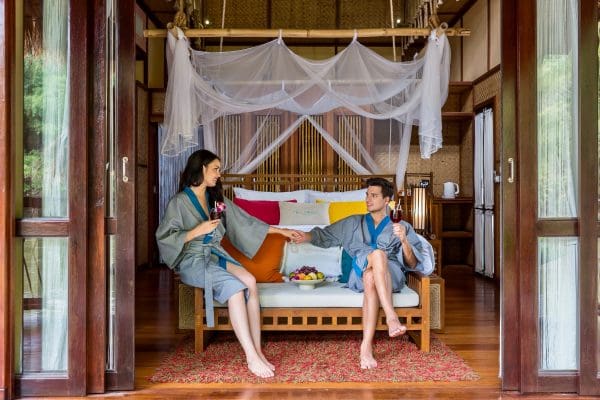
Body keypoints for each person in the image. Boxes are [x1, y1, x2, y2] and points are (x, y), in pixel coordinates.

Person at [156, 149, 295, 378]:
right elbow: (164, 237)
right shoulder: (179, 202)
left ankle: (258, 350)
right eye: (216, 169)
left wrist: (282, 231)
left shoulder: (216, 200)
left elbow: (247, 223)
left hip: (214, 255)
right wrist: (196, 231)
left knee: (250, 281)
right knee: (236, 289)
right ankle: (250, 357)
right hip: (192, 260)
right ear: (202, 169)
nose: (219, 174)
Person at [290, 177, 424, 370]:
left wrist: (404, 240)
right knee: (375, 259)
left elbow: (413, 263)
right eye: (367, 195)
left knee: (373, 271)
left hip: (391, 274)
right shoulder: (353, 222)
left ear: (387, 200)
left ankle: (366, 346)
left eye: (374, 195)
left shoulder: (401, 226)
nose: (368, 199)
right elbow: (324, 235)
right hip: (359, 272)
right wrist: (306, 236)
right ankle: (391, 316)